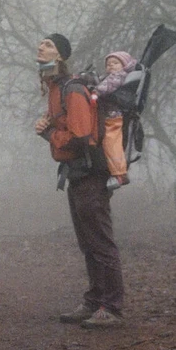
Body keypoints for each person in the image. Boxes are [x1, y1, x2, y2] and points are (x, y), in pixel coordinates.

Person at [33, 33, 125, 329]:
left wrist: (49, 134)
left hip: (91, 175)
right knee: (87, 242)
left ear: (60, 55)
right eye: (41, 43)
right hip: (76, 174)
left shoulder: (72, 89)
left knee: (100, 241)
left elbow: (82, 136)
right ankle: (92, 302)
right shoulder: (55, 88)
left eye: (48, 44)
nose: (41, 47)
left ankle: (111, 307)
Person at [96, 51, 139, 191]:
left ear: (124, 65)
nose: (111, 66)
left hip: (112, 116)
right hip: (107, 115)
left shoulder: (119, 76)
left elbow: (107, 86)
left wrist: (95, 91)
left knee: (110, 142)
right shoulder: (109, 77)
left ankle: (119, 173)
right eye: (108, 64)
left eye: (115, 63)